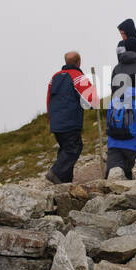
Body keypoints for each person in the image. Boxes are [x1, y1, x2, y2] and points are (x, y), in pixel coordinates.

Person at [45, 52, 96, 184]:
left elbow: (48, 99)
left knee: (64, 150)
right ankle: (55, 172)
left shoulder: (54, 77)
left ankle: (63, 185)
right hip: (70, 121)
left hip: (56, 122)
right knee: (74, 148)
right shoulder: (78, 77)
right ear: (78, 62)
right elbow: (91, 100)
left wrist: (50, 119)